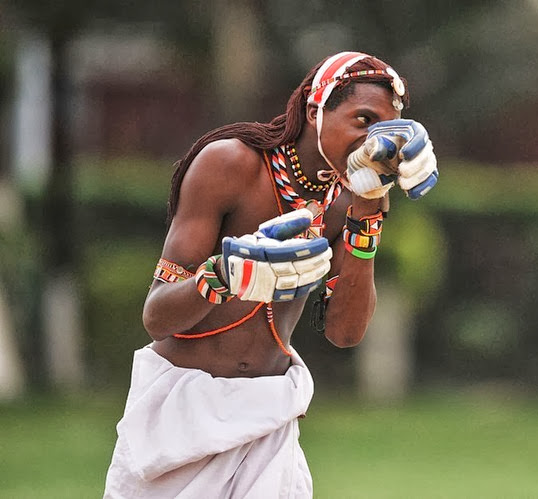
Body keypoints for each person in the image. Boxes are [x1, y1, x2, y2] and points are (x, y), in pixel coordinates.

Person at [103, 51, 438, 498]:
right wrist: (223, 276)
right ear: (317, 111)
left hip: (268, 416)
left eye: (385, 129)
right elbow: (157, 316)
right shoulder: (230, 164)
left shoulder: (348, 201)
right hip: (179, 410)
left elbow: (345, 331)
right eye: (362, 120)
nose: (372, 141)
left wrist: (368, 212)